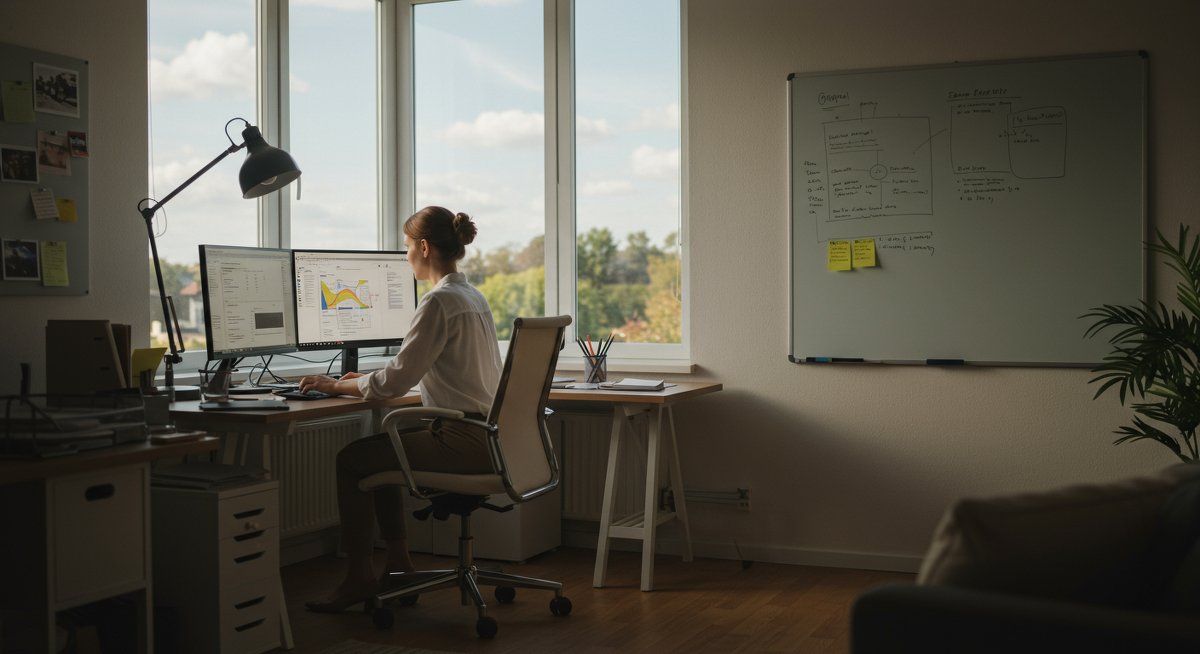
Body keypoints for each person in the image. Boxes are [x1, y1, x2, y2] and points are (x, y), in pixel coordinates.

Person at [301, 206, 503, 612]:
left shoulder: (438, 301)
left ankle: (360, 577)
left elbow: (392, 384)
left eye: (407, 246)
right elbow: (411, 369)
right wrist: (361, 380)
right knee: (384, 450)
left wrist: (335, 385)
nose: (406, 255)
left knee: (353, 460)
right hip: (492, 438)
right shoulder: (471, 296)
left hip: (462, 441)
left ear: (424, 247)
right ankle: (398, 564)